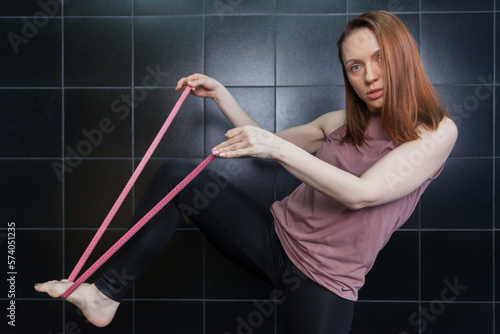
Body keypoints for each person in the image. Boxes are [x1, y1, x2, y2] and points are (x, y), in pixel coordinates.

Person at [35, 11, 457, 333]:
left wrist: (273, 147)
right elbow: (263, 141)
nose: (370, 75)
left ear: (402, 54)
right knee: (178, 175)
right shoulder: (340, 122)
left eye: (378, 58)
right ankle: (105, 294)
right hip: (271, 237)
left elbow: (361, 193)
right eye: (355, 66)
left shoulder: (435, 133)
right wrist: (221, 96)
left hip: (323, 280)